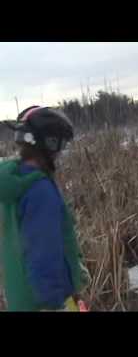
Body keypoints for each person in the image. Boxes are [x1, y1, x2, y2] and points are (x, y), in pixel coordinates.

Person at [0, 106, 87, 311]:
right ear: (50, 143)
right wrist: (55, 305)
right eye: (62, 144)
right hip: (47, 302)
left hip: (21, 299)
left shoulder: (14, 182)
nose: (62, 152)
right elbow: (43, 256)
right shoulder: (40, 190)